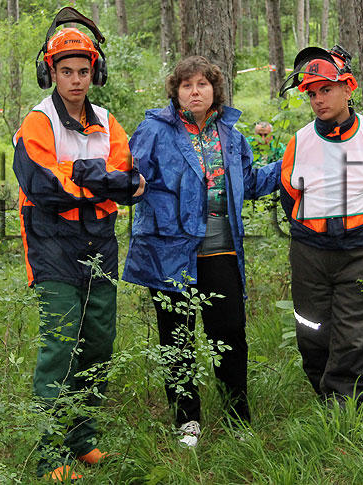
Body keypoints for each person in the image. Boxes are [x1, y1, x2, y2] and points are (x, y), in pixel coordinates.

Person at [12, 8, 145, 482]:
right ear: (50, 71)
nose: (74, 79)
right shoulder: (37, 122)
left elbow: (128, 181)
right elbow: (43, 187)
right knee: (59, 346)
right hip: (51, 243)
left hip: (101, 243)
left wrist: (90, 180)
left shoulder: (109, 122)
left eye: (82, 71)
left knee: (99, 342)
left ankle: (82, 438)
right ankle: (50, 454)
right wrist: (98, 180)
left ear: (95, 72)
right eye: (65, 71)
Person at [122, 56, 281, 447]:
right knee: (176, 336)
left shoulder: (231, 135)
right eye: (187, 85)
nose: (195, 91)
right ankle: (186, 420)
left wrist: (291, 163)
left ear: (215, 91)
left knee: (229, 331)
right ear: (176, 93)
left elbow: (251, 182)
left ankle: (236, 415)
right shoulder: (155, 131)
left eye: (203, 84)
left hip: (220, 246)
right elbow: (130, 178)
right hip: (170, 250)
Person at [278, 46, 363, 407]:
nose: (318, 100)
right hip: (311, 251)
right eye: (311, 94)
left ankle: (345, 406)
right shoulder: (299, 141)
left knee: (355, 333)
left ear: (348, 87)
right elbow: (288, 194)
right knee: (311, 328)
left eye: (325, 90)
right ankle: (322, 389)